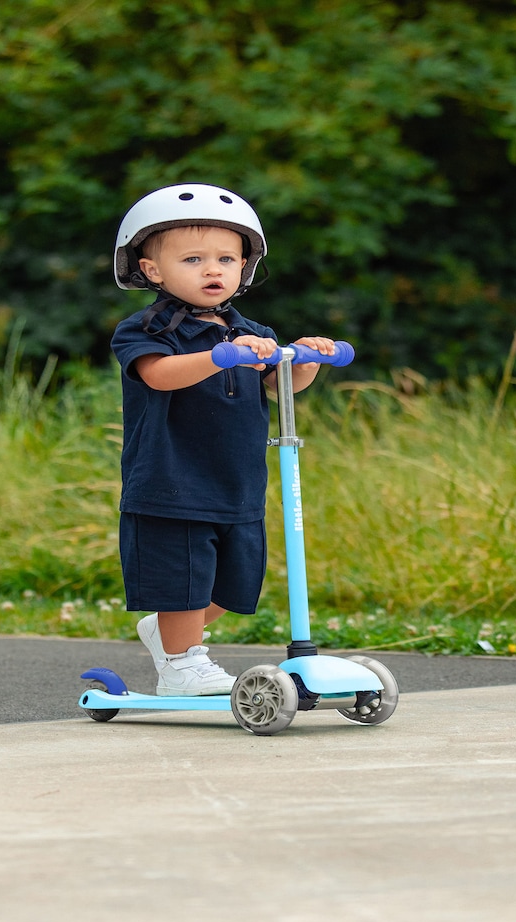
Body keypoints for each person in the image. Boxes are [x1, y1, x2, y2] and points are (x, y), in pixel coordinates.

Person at [110, 183, 336, 696]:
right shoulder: (146, 328)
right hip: (172, 480)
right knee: (185, 578)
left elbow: (280, 388)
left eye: (226, 259)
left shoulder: (249, 329)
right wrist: (217, 357)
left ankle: (166, 631)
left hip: (236, 479)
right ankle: (181, 664)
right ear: (152, 270)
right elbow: (158, 375)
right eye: (193, 258)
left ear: (243, 266)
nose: (213, 270)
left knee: (233, 584)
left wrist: (302, 359)